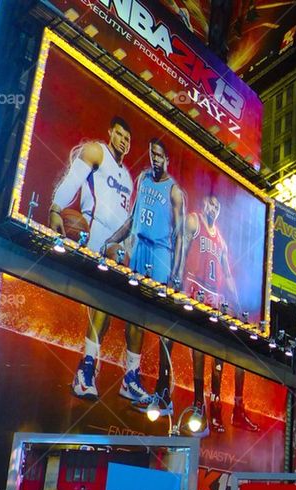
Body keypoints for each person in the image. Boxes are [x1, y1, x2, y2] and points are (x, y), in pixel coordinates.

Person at [51, 116, 152, 406]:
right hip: (95, 234)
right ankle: (86, 368)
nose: (123, 140)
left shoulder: (128, 180)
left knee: (135, 311)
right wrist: (56, 207)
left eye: (127, 138)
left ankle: (129, 377)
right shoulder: (97, 151)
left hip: (117, 245)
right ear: (110, 133)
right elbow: (73, 179)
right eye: (119, 135)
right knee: (104, 302)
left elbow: (127, 223)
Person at [103, 138, 186, 411]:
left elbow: (181, 236)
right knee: (134, 316)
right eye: (152, 154)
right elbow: (133, 220)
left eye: (160, 155)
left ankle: (164, 389)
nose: (155, 159)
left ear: (168, 159)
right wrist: (110, 240)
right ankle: (131, 378)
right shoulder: (143, 180)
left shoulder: (174, 192)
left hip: (161, 256)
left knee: (162, 324)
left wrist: (176, 275)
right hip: (139, 250)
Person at [180, 177, 256, 433]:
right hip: (194, 288)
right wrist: (176, 277)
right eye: (210, 205)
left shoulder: (221, 240)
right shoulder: (194, 220)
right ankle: (198, 400)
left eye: (217, 206)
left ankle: (214, 404)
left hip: (215, 295)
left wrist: (235, 302)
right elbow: (181, 246)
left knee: (218, 352)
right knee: (198, 347)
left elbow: (228, 273)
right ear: (203, 205)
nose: (212, 209)